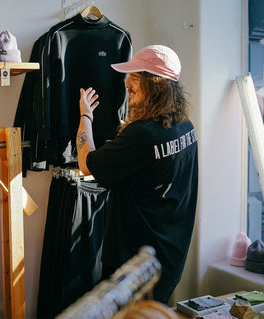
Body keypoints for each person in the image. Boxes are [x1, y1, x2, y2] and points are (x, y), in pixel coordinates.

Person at [76, 45, 198, 304]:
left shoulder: (143, 135)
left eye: (135, 77)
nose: (127, 83)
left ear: (157, 85)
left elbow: (87, 163)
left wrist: (85, 116)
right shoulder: (186, 127)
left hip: (134, 266)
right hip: (169, 260)